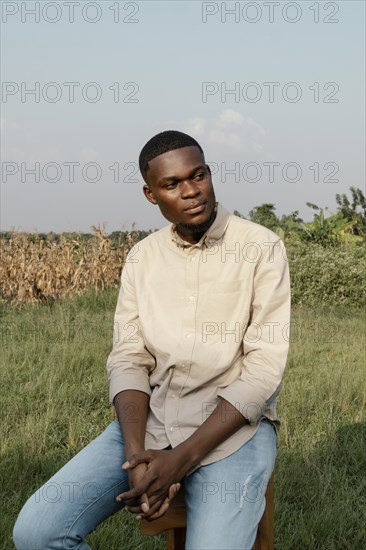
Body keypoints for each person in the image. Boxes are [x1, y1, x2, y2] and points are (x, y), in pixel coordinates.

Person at [13, 130, 291, 550]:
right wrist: (136, 456)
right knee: (36, 533)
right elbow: (128, 358)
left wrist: (179, 461)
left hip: (234, 433)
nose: (192, 191)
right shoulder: (142, 258)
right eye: (172, 184)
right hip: (153, 421)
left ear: (210, 173)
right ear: (150, 194)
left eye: (198, 175)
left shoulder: (261, 247)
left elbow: (263, 369)